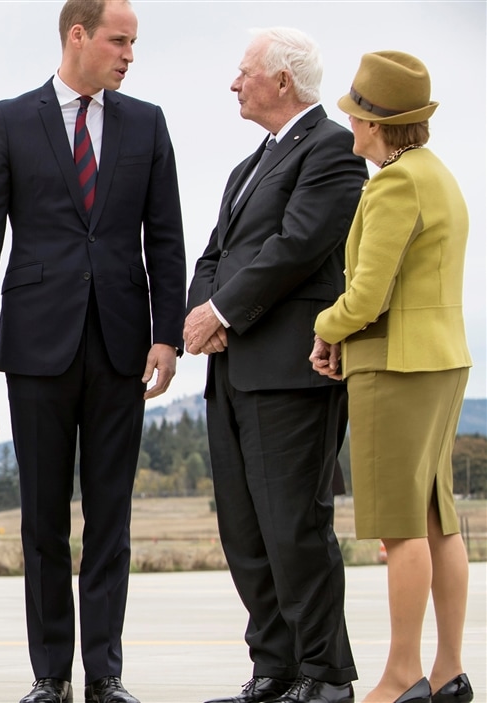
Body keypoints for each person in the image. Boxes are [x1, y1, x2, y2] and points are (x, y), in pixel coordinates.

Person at [0, 1, 185, 701]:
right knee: (44, 519)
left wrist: (167, 334)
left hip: (121, 343)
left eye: (134, 43)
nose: (130, 54)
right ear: (77, 36)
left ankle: (104, 674)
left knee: (110, 516)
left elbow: (166, 237)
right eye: (121, 40)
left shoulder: (147, 123)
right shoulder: (8, 119)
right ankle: (50, 673)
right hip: (35, 344)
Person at [183, 28, 368, 703]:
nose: (234, 84)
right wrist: (204, 311)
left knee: (295, 524)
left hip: (293, 372)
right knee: (245, 526)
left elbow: (296, 245)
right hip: (231, 373)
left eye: (243, 72)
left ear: (281, 81)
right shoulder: (246, 166)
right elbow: (213, 254)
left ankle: (324, 674)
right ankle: (274, 668)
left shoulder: (333, 150)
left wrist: (223, 313)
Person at [312, 51, 474, 703]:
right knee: (439, 519)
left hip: (397, 366)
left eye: (355, 116)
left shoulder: (394, 183)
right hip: (442, 359)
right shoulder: (440, 176)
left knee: (400, 526)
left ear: (377, 125)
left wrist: (327, 327)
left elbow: (368, 295)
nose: (349, 128)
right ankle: (449, 670)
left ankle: (403, 673)